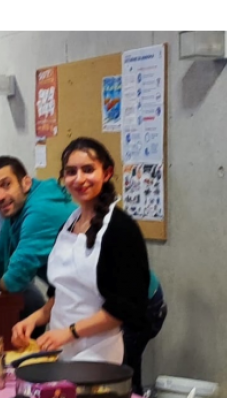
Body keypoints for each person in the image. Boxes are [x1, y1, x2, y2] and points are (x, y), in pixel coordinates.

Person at [10, 138, 149, 364]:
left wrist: (69, 332)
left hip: (97, 353)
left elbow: (123, 309)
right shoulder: (69, 223)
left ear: (106, 173)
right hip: (60, 348)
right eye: (71, 172)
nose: (79, 179)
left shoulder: (121, 229)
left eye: (88, 170)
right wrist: (36, 318)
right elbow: (63, 293)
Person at [0, 156, 77, 318]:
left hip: (111, 304)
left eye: (6, 184)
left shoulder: (40, 210)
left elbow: (14, 280)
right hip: (73, 299)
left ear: (26, 183)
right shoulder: (15, 212)